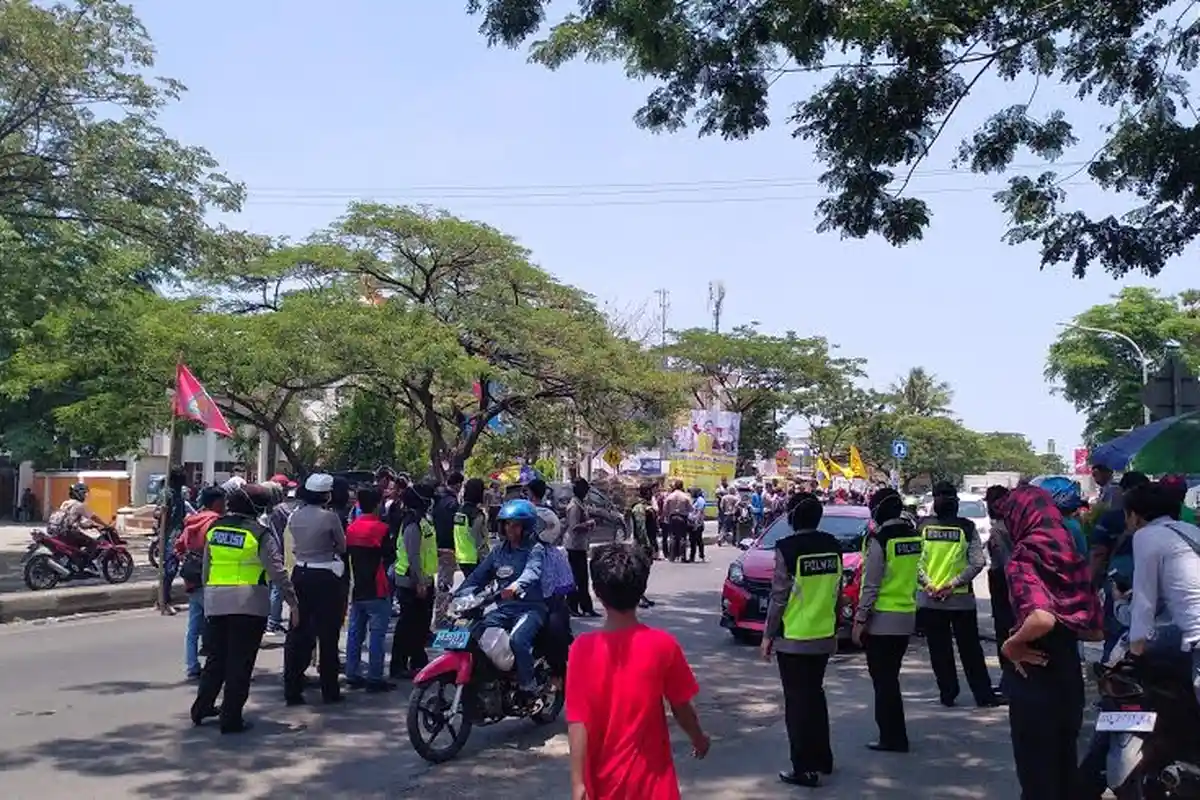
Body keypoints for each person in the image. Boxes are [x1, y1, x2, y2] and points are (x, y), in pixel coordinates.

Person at [567, 544, 710, 800]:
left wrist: (578, 783)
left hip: (602, 785)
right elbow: (681, 707)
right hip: (654, 786)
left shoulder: (582, 649)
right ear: (642, 589)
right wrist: (698, 738)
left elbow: (578, 721)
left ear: (597, 591)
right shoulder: (663, 645)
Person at [995, 484, 1102, 800]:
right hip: (1068, 678)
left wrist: (1011, 645)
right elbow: (1095, 630)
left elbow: (1041, 618)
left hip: (1034, 674)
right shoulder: (1070, 554)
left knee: (1038, 779)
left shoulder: (1024, 557)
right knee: (1064, 772)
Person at [193, 483, 297, 734]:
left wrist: (209, 598)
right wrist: (293, 603)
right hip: (249, 604)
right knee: (240, 663)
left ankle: (201, 708)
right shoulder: (260, 534)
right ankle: (230, 718)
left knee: (216, 659)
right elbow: (277, 572)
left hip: (216, 601)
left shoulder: (215, 528)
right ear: (257, 507)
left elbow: (207, 567)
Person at [761, 493, 841, 787]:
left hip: (794, 637)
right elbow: (837, 590)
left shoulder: (787, 548)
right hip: (823, 633)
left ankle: (804, 768)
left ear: (793, 517)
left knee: (796, 703)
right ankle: (823, 759)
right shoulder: (833, 545)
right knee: (815, 695)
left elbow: (779, 597)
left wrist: (767, 635)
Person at [916, 482, 1000, 708]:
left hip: (931, 599)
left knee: (939, 650)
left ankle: (948, 694)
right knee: (970, 650)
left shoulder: (922, 527)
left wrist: (929, 584)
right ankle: (983, 695)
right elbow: (977, 562)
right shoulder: (967, 527)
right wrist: (952, 585)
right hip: (961, 600)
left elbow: (914, 562)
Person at [456, 499, 547, 696]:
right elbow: (478, 576)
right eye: (507, 524)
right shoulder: (498, 551)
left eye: (515, 525)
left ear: (526, 527)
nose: (510, 529)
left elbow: (532, 571)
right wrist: (460, 594)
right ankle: (489, 678)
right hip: (504, 608)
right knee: (475, 630)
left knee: (517, 640)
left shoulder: (535, 549)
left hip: (530, 608)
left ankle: (528, 684)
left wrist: (516, 586)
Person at [853, 487, 920, 753]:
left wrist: (860, 620)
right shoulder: (913, 536)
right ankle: (896, 734)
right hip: (907, 615)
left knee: (884, 682)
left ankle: (892, 737)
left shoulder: (880, 540)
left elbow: (871, 585)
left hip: (882, 620)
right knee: (891, 678)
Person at [1124, 481, 1200, 700]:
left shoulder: (1146, 536)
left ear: (1135, 515)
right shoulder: (1190, 529)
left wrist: (1134, 656)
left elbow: (1144, 602)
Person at [282, 473, 348, 706]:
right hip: (325, 575)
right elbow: (342, 546)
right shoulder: (330, 517)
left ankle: (292, 687)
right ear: (326, 495)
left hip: (300, 572)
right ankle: (329, 689)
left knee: (298, 632)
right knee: (328, 634)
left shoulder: (295, 515)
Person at [344, 487, 395, 693]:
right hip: (378, 587)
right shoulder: (382, 529)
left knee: (355, 633)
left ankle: (352, 673)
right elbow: (390, 556)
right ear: (377, 505)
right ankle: (375, 677)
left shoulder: (351, 529)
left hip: (358, 586)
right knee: (377, 635)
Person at [391, 478, 438, 679]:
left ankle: (418, 661)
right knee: (408, 625)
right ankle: (399, 665)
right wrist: (419, 581)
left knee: (420, 625)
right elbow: (413, 555)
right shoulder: (412, 523)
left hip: (423, 579)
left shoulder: (422, 520)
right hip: (411, 582)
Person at [176, 486, 225, 681]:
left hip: (191, 577)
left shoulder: (192, 521)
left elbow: (179, 546)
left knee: (194, 626)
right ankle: (217, 666)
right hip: (210, 577)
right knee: (217, 625)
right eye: (223, 501)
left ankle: (192, 665)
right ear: (217, 502)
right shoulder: (215, 523)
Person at [984, 485, 1015, 679]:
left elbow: (1004, 562)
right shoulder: (1017, 524)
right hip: (1016, 583)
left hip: (1004, 583)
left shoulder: (998, 530)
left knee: (1005, 632)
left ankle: (1009, 679)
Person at [264, 479, 299, 636]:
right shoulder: (286, 510)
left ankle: (271, 621)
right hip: (284, 551)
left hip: (273, 549)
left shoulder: (272, 511)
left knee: (274, 587)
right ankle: (273, 622)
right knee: (278, 588)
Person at [47, 482, 107, 573]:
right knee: (93, 543)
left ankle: (75, 564)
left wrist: (87, 525)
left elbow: (71, 519)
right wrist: (105, 525)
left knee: (78, 545)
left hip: (57, 531)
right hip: (68, 533)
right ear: (78, 494)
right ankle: (86, 565)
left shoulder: (65, 503)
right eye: (84, 493)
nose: (85, 496)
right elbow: (93, 517)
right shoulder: (80, 505)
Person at [432, 471, 464, 626]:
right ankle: (440, 617)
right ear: (458, 484)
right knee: (445, 583)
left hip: (438, 544)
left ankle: (442, 613)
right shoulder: (452, 503)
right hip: (448, 547)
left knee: (443, 581)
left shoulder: (439, 499)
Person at [564, 478, 599, 617]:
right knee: (576, 578)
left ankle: (586, 607)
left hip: (580, 546)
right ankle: (572, 606)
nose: (586, 492)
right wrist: (589, 524)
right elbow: (574, 527)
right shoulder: (574, 506)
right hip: (574, 546)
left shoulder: (580, 504)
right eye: (585, 489)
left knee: (583, 579)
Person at [454, 477, 490, 579]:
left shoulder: (459, 511)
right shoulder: (477, 514)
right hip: (475, 559)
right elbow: (478, 540)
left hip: (462, 557)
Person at [629, 484, 658, 608]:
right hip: (641, 545)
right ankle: (636, 597)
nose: (652, 494)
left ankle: (640, 595)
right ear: (646, 492)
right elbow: (641, 529)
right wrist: (647, 545)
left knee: (645, 572)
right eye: (651, 491)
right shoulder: (639, 508)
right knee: (639, 572)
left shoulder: (646, 506)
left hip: (648, 543)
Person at [662, 479, 692, 563]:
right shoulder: (685, 496)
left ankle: (672, 557)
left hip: (672, 517)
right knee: (682, 537)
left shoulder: (670, 496)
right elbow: (690, 508)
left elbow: (665, 508)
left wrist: (666, 516)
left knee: (673, 536)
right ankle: (682, 556)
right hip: (682, 517)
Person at [687, 487, 707, 563]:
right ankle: (695, 556)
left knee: (697, 540)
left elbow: (699, 512)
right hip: (691, 522)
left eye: (691, 492)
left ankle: (698, 556)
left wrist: (696, 523)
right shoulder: (693, 500)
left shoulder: (700, 500)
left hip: (697, 523)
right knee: (694, 540)